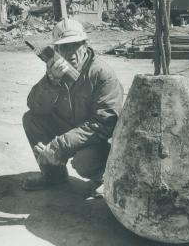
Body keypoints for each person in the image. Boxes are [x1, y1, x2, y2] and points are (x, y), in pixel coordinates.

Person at [22, 18, 123, 197]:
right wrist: (51, 81)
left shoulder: (102, 74)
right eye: (64, 47)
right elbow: (35, 107)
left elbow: (104, 124)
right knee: (31, 119)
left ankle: (105, 178)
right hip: (71, 128)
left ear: (85, 45)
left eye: (75, 45)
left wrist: (58, 146)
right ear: (56, 50)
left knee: (83, 162)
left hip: (97, 140)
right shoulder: (58, 71)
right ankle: (54, 175)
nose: (71, 53)